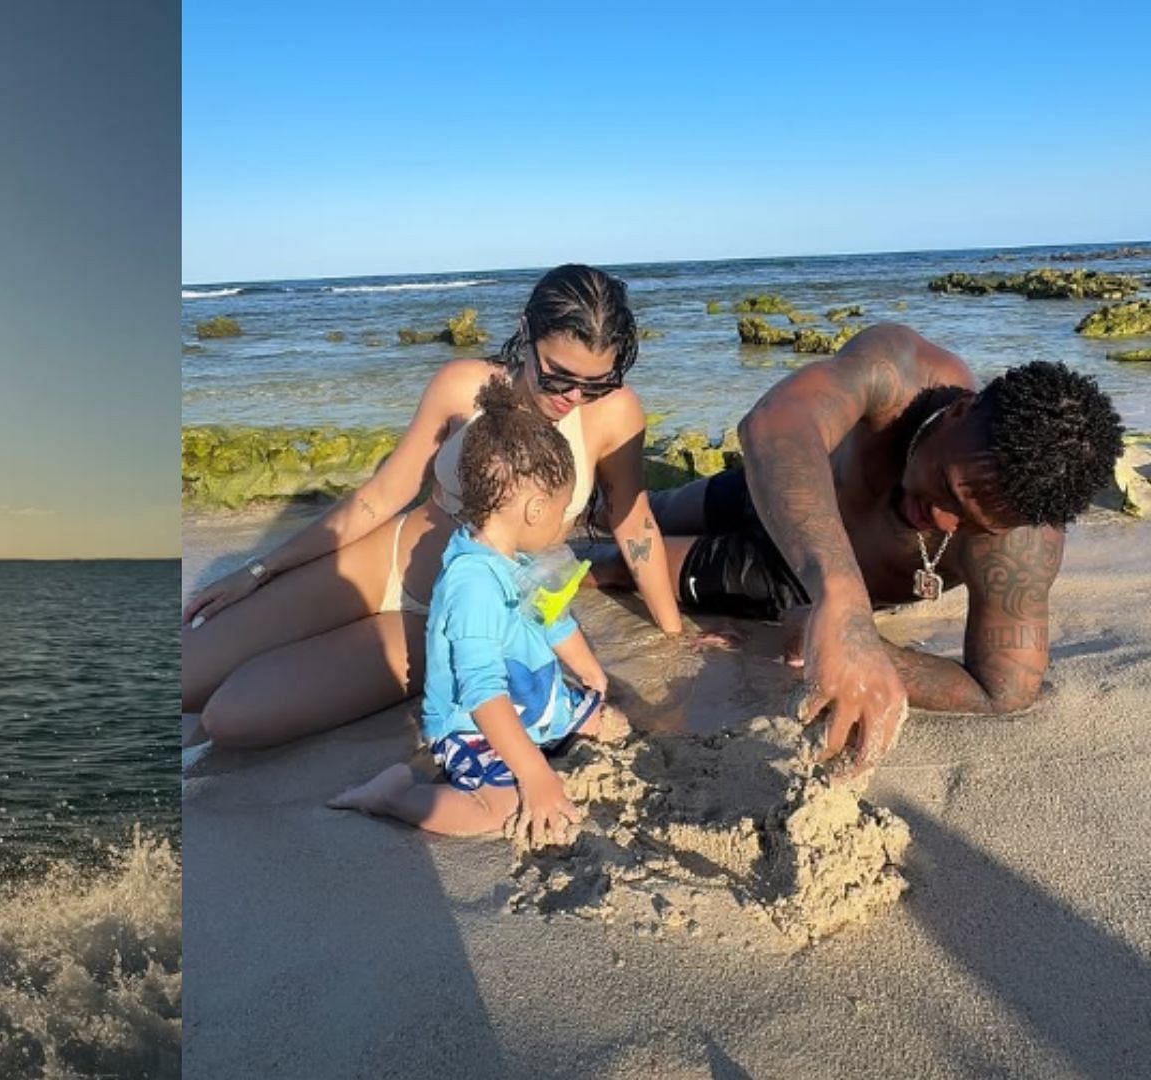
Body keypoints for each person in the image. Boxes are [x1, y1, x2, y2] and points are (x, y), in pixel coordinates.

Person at [183, 264, 686, 750]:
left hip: (455, 619)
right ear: (526, 331)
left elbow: (632, 519)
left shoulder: (616, 412)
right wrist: (258, 570)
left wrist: (674, 636)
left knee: (229, 719)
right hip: (386, 562)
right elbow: (380, 497)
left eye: (595, 381)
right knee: (186, 675)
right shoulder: (462, 385)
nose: (575, 396)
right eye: (559, 376)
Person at [597, 323, 1124, 776]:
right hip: (782, 490)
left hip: (786, 577)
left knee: (623, 565)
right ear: (962, 410)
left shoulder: (1021, 546)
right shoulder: (901, 372)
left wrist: (870, 648)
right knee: (627, 513)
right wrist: (844, 596)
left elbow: (1002, 691)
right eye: (947, 488)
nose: (941, 519)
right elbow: (773, 424)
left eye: (970, 523)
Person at [328, 403, 626, 844]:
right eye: (565, 510)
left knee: (610, 722)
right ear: (535, 508)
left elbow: (552, 618)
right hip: (476, 722)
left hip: (531, 699)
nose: (567, 523)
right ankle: (393, 798)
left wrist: (588, 671)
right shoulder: (473, 584)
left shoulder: (519, 557)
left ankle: (547, 735)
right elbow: (482, 690)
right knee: (498, 809)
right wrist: (536, 776)